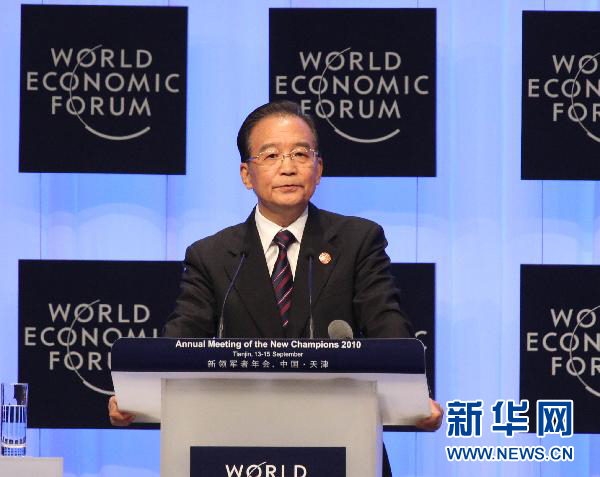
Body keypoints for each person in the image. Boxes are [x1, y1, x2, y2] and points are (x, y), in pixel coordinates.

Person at [109, 100, 443, 473]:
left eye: (300, 154)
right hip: (237, 450)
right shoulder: (212, 256)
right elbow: (181, 343)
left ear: (319, 168)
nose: (288, 167)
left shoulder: (357, 241)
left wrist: (415, 397)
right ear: (246, 174)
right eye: (270, 155)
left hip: (342, 444)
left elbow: (386, 323)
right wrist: (138, 394)